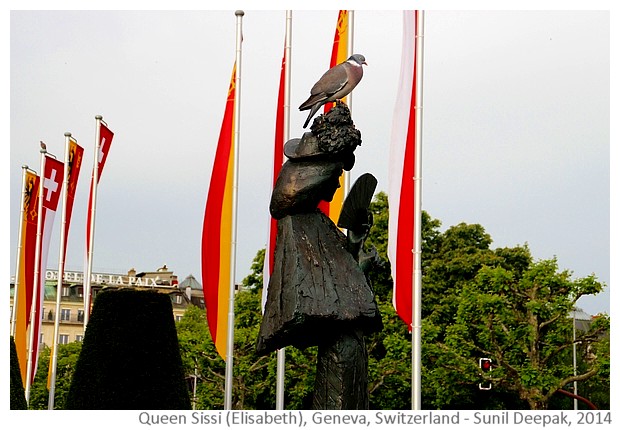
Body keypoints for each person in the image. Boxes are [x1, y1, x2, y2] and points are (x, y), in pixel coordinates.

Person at [256, 103, 382, 409]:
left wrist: (355, 246)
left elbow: (343, 275)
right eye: (335, 175)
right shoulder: (300, 224)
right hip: (342, 344)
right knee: (344, 361)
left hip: (347, 341)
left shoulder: (318, 225)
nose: (339, 182)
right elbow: (281, 201)